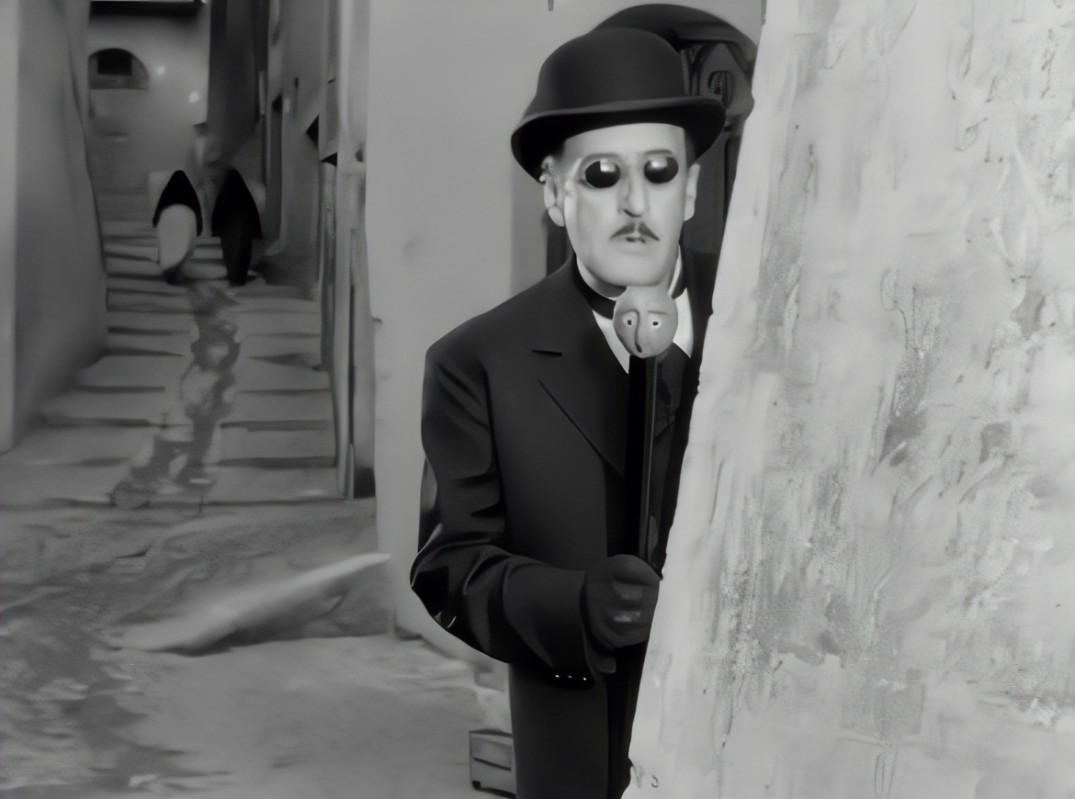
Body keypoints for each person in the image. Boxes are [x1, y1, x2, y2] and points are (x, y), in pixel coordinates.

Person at [411, 27, 725, 799]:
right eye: (601, 175)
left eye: (658, 171)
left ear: (689, 188)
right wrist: (571, 605)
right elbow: (448, 568)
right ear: (553, 194)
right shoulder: (476, 361)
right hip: (578, 752)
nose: (634, 204)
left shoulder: (773, 329)